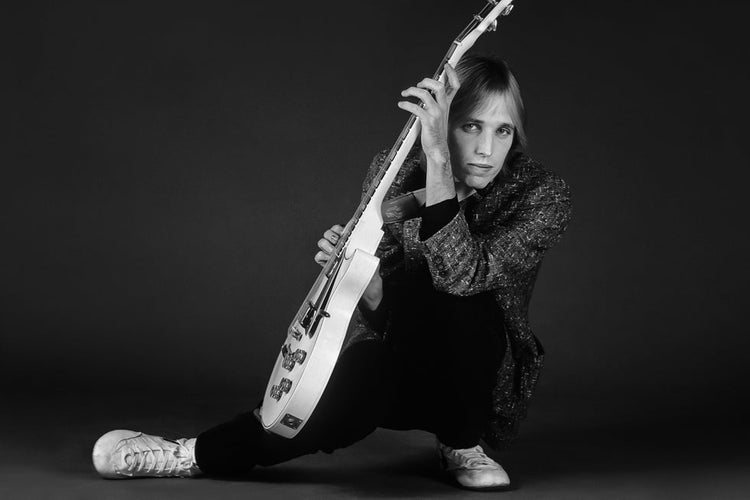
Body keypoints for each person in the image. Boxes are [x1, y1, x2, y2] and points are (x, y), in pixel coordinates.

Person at [91, 55, 571, 491]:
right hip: (403, 357)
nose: (487, 149)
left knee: (473, 306)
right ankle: (189, 454)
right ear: (440, 125)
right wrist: (365, 283)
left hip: (477, 383)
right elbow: (391, 313)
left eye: (502, 130)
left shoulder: (542, 195)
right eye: (470, 126)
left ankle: (461, 442)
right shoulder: (393, 174)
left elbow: (463, 278)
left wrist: (442, 168)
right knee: (337, 400)